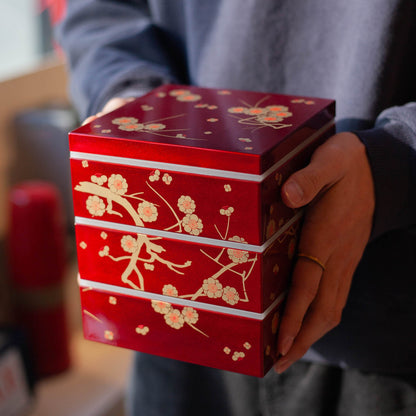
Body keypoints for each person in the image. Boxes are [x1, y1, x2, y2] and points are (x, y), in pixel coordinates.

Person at [56, 1, 416, 415]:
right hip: (172, 321)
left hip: (382, 343)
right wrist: (129, 98)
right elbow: (102, 13)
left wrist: (395, 161)